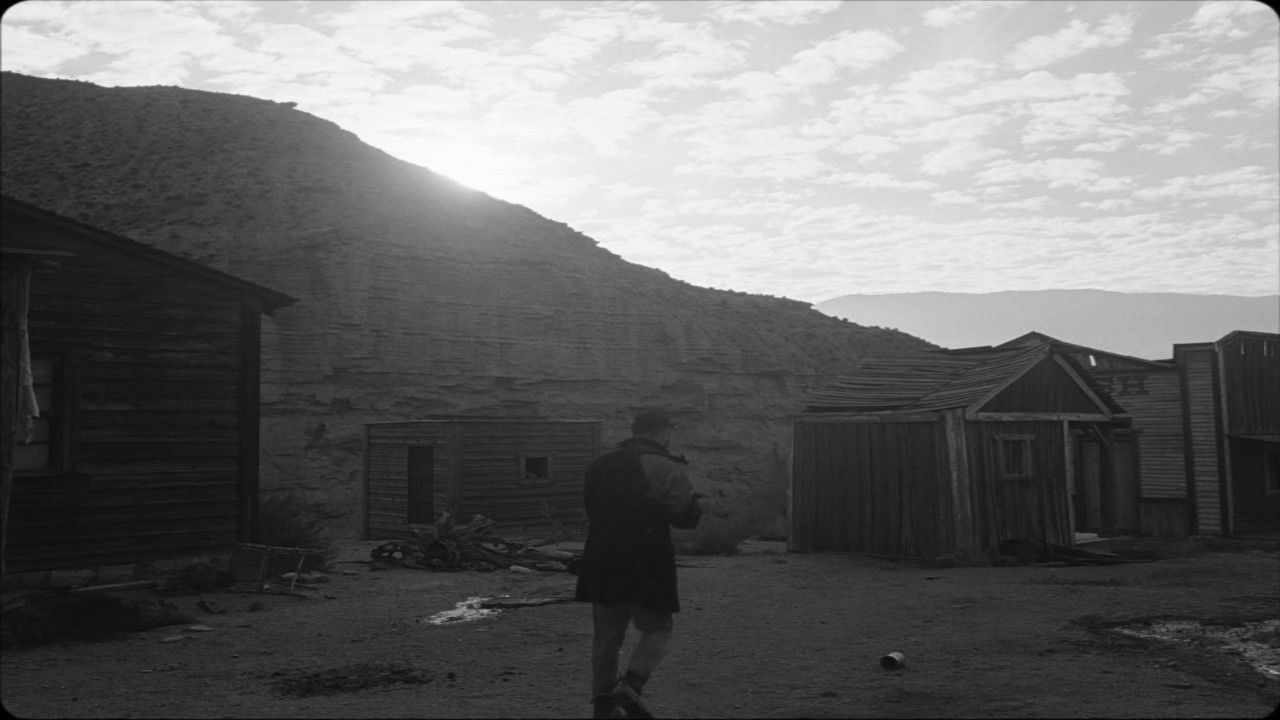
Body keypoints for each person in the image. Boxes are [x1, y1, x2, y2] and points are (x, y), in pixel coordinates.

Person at [575, 411, 706, 719]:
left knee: (607, 638)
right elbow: (683, 515)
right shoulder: (667, 465)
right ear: (662, 432)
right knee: (658, 629)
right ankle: (631, 684)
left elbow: (592, 511)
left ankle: (603, 707)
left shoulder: (598, 465)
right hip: (647, 559)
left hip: (601, 558)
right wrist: (699, 506)